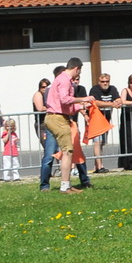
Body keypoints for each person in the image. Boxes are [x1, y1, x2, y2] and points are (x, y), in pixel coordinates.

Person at [43, 58, 92, 194]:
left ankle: (67, 185)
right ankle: (65, 187)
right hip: (57, 118)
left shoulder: (62, 79)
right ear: (76, 68)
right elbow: (65, 100)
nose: (79, 74)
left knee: (67, 151)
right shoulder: (64, 80)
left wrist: (81, 106)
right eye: (79, 71)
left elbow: (66, 107)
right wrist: (83, 99)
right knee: (67, 151)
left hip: (57, 116)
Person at [88, 72, 121, 172]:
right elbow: (96, 102)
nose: (105, 83)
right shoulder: (94, 89)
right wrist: (111, 104)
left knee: (102, 143)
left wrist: (118, 102)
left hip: (106, 120)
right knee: (97, 142)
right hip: (96, 120)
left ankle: (96, 166)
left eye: (107, 81)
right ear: (99, 82)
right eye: (102, 82)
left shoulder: (113, 89)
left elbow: (119, 99)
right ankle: (100, 167)